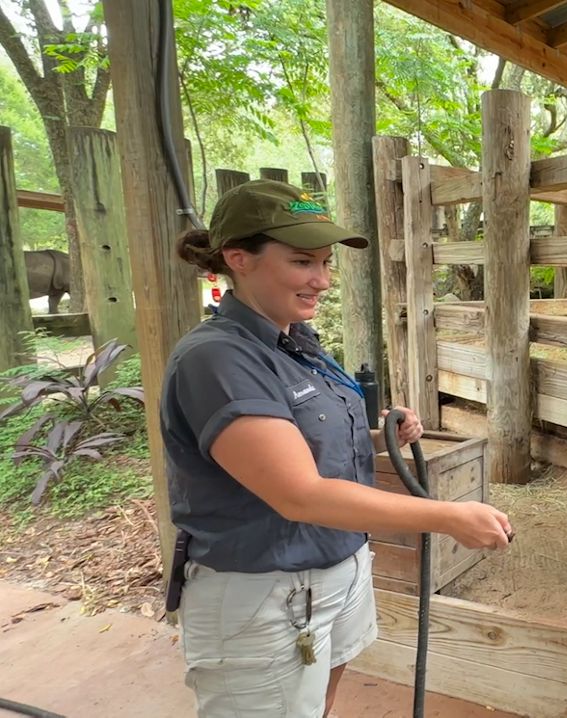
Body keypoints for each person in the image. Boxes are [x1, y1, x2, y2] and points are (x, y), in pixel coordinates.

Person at [159, 179, 513, 717]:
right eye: (303, 262)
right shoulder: (218, 358)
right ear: (239, 259)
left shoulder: (293, 340)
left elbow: (295, 445)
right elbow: (298, 493)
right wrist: (446, 516)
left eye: (326, 263)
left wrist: (378, 437)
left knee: (315, 706)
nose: (322, 280)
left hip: (337, 566)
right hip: (267, 592)